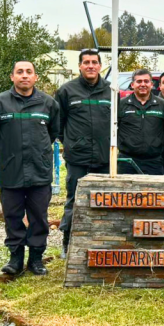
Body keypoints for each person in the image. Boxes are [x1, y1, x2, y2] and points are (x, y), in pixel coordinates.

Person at [0, 61, 60, 276]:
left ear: (35, 77)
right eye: (19, 72)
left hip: (39, 171)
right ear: (12, 77)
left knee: (39, 216)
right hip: (11, 170)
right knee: (12, 216)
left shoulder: (49, 104)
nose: (24, 76)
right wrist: (8, 150)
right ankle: (15, 259)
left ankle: (36, 259)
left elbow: (53, 133)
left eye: (29, 72)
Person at [56, 48, 111, 257]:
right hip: (78, 158)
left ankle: (101, 240)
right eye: (86, 62)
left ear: (100, 65)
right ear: (80, 65)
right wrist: (72, 143)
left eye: (94, 62)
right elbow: (58, 124)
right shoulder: (67, 91)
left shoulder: (110, 91)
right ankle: (67, 242)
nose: (90, 65)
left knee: (105, 200)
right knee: (75, 199)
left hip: (105, 157)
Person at [117, 69, 164, 175]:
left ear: (152, 84)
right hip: (126, 162)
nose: (143, 84)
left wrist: (155, 144)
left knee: (154, 191)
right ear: (132, 84)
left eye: (146, 81)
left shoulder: (162, 106)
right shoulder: (121, 105)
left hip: (154, 162)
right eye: (139, 81)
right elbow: (113, 130)